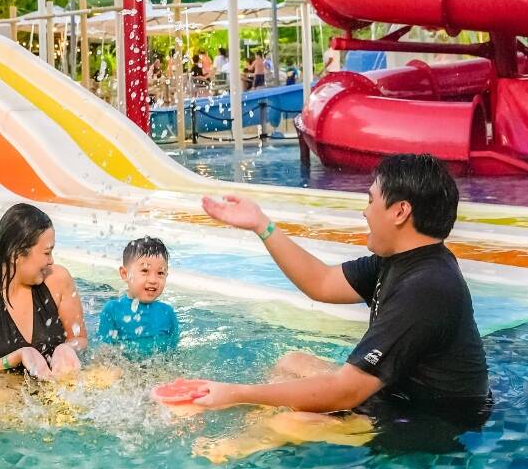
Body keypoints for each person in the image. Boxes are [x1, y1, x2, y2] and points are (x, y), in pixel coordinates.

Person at [191, 154, 490, 444]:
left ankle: (222, 449)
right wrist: (262, 225)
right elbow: (321, 282)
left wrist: (236, 393)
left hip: (430, 421)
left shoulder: (426, 288)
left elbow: (345, 391)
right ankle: (251, 416)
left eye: (371, 200)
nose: (365, 212)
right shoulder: (401, 261)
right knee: (292, 362)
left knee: (289, 423)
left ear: (400, 212)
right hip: (395, 395)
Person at [0, 203, 87, 380]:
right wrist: (17, 357)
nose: (51, 261)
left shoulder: (58, 280)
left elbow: (80, 338)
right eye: (47, 252)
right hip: (5, 388)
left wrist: (67, 348)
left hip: (58, 383)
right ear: (16, 254)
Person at [98, 236, 179, 355]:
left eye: (160, 273)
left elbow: (174, 352)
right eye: (145, 271)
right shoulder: (112, 310)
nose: (153, 280)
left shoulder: (167, 313)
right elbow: (104, 352)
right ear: (125, 274)